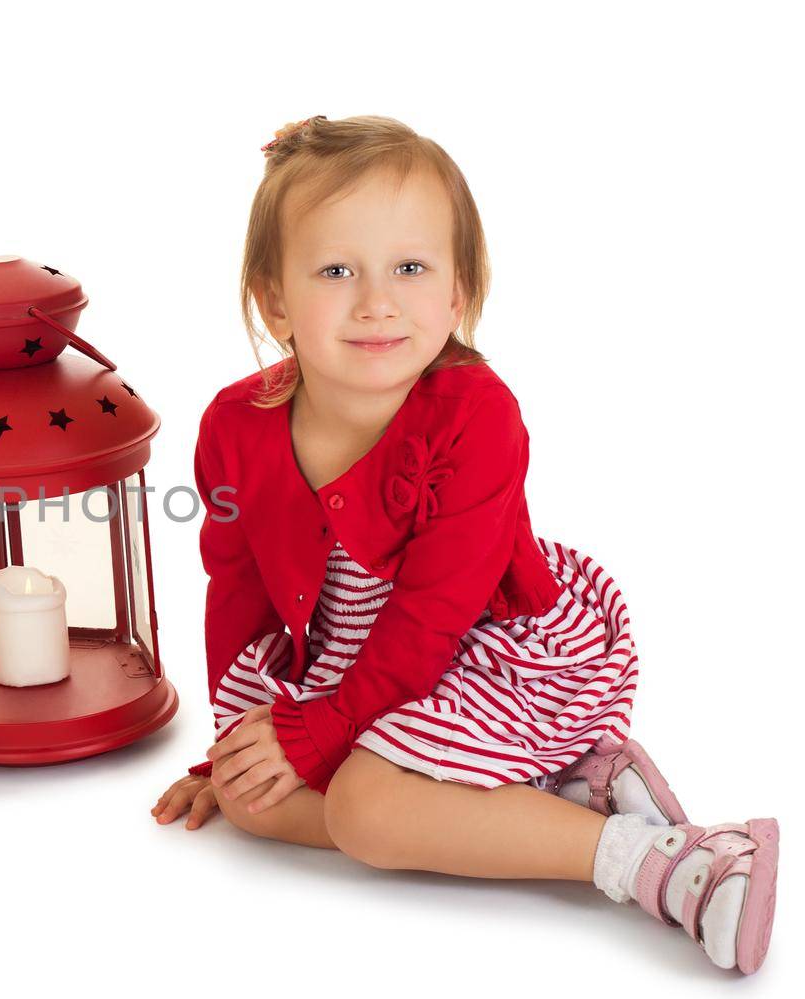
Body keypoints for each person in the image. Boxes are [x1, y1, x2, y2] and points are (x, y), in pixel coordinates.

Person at [151, 115, 778, 975]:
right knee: (250, 798)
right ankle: (546, 794)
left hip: (486, 641)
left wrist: (319, 735)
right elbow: (237, 584)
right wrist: (238, 740)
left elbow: (429, 620)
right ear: (274, 298)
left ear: (458, 292)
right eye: (336, 270)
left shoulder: (478, 415)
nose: (377, 301)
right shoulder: (234, 423)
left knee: (366, 811)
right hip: (351, 659)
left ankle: (664, 862)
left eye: (410, 268)